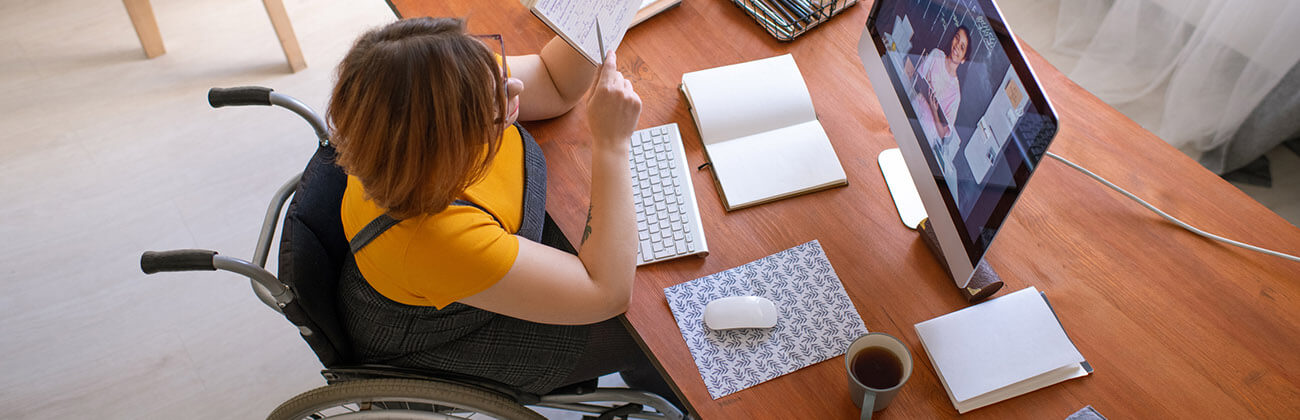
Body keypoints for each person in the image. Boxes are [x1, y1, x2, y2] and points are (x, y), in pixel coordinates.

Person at [327, 17, 677, 404]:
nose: (514, 87)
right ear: (449, 145)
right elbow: (607, 294)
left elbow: (553, 80)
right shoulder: (433, 236)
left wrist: (600, 11)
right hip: (452, 338)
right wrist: (612, 143)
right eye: (490, 109)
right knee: (659, 326)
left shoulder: (432, 88)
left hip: (464, 271)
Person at [906, 25, 970, 163]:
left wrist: (935, 111)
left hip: (926, 134)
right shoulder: (936, 55)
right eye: (957, 39)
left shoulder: (956, 94)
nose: (957, 46)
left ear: (964, 59)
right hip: (912, 110)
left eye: (962, 47)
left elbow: (942, 133)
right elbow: (916, 79)